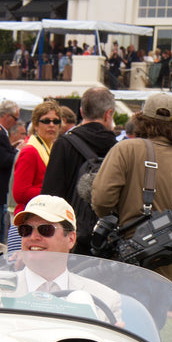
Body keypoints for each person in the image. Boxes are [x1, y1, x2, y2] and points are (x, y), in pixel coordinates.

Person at [91, 92, 172, 312]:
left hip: (127, 266)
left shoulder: (125, 150)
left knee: (122, 331)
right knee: (151, 334)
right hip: (169, 275)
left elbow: (101, 201)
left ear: (141, 120)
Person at [10, 194, 122, 323]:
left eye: (45, 229)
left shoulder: (105, 299)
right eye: (26, 230)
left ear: (71, 239)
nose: (33, 236)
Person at [41, 87, 116, 253]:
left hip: (69, 237)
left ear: (82, 112)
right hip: (106, 238)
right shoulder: (118, 149)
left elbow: (50, 195)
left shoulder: (64, 144)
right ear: (108, 114)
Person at [11, 100, 62, 250]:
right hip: (25, 225)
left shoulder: (50, 148)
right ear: (36, 124)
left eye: (56, 121)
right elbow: (19, 193)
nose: (51, 125)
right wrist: (52, 193)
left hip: (41, 224)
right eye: (46, 121)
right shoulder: (30, 151)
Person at [0, 100, 21, 241]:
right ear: (7, 116)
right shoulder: (0, 133)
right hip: (0, 189)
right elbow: (3, 160)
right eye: (15, 119)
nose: (16, 122)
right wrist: (19, 153)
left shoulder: (2, 133)